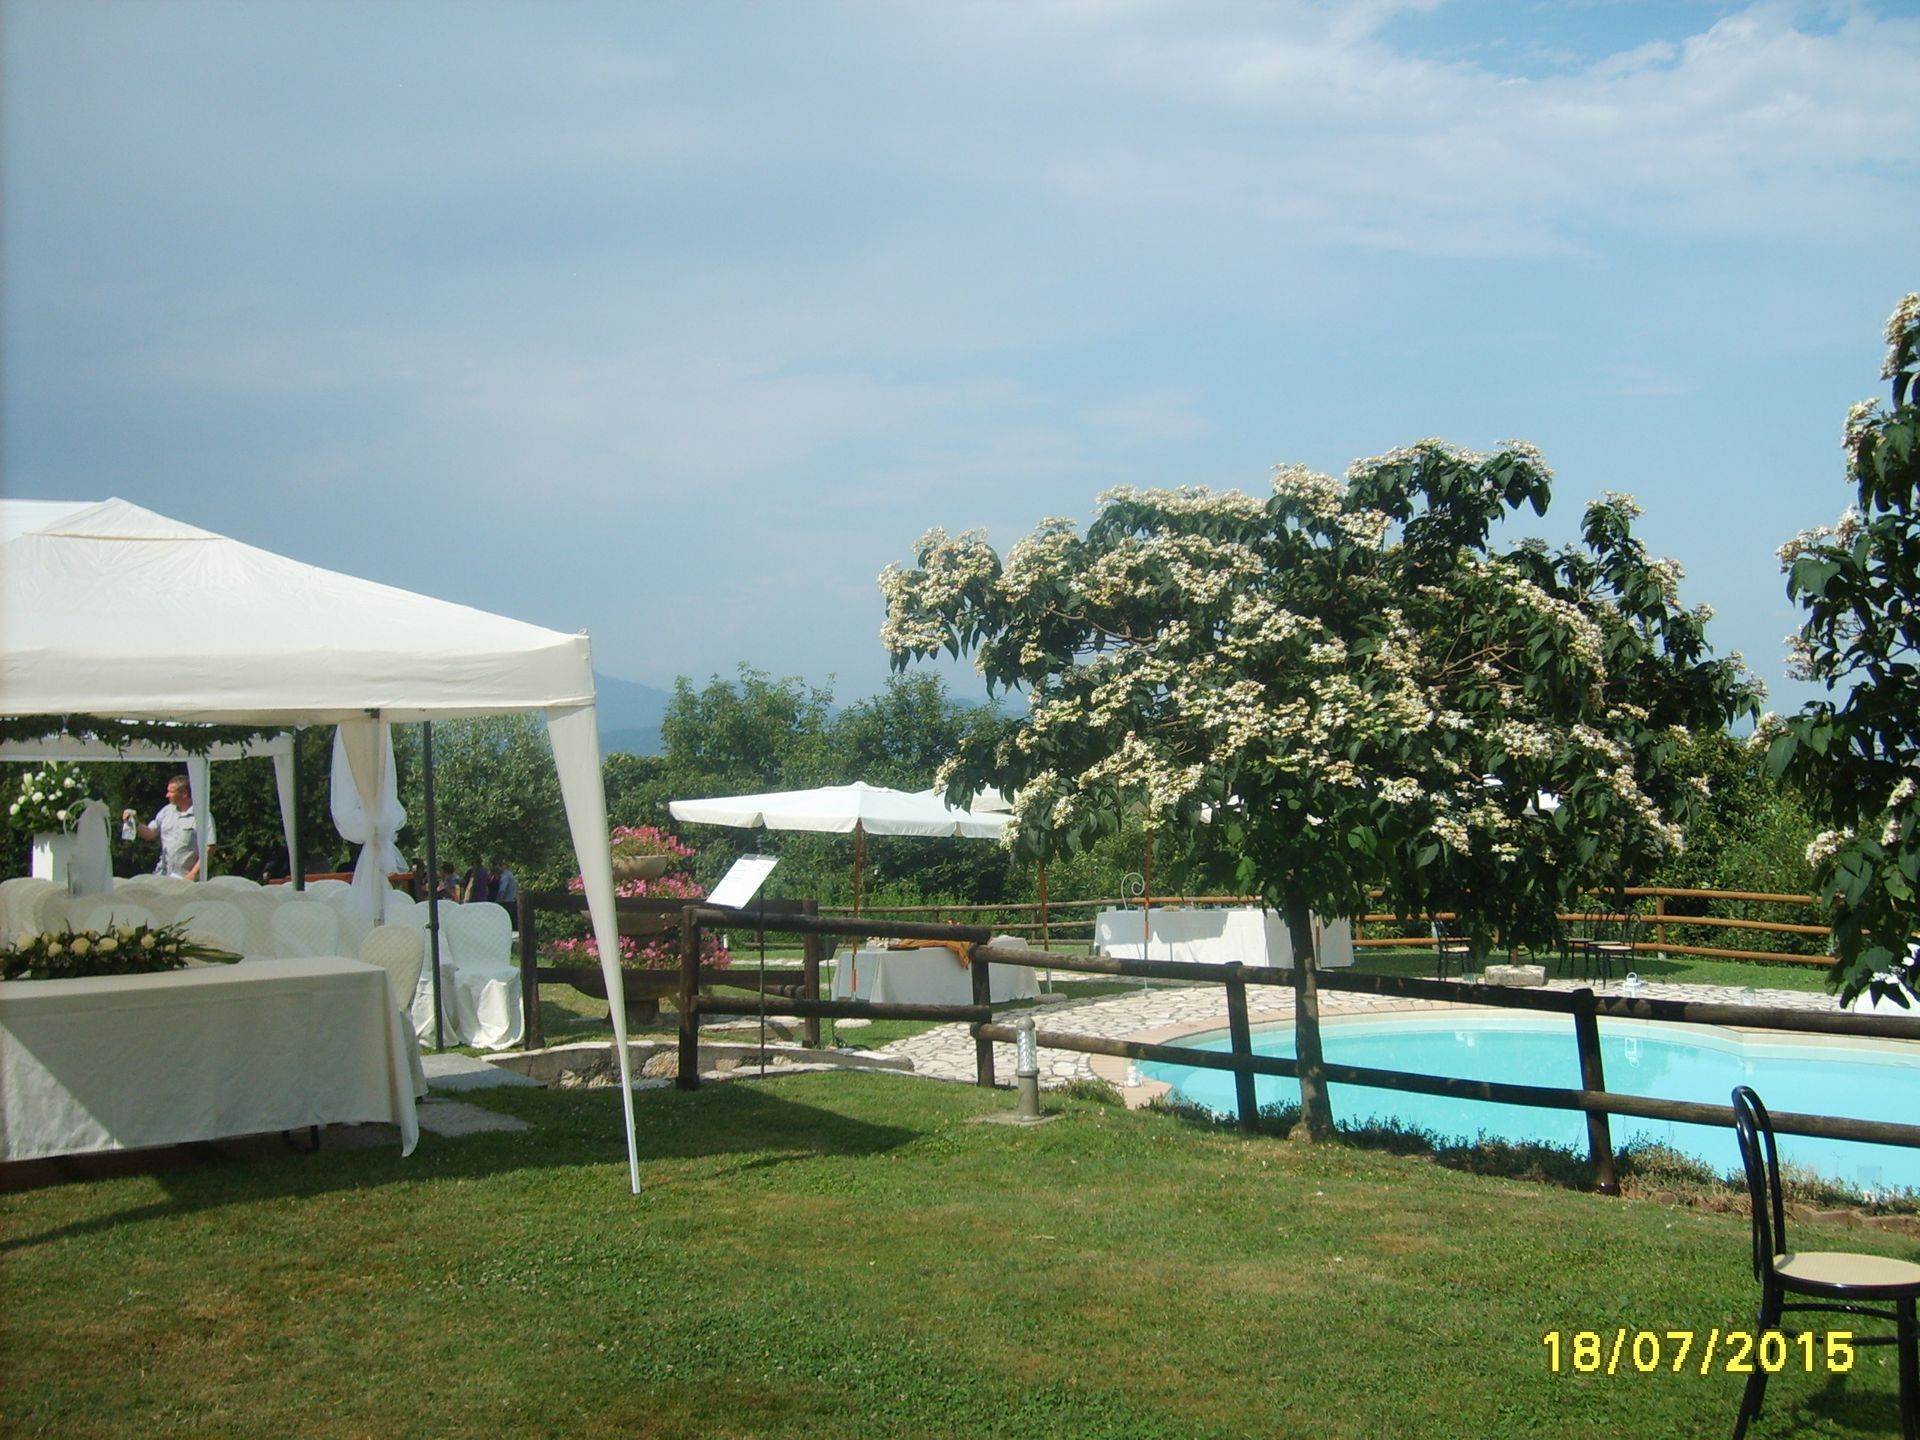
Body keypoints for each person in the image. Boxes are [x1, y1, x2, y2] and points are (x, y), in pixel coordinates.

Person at [122, 775, 211, 881]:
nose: (167, 795)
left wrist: (192, 874)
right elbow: (150, 834)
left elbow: (210, 848)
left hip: (186, 879)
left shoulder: (202, 815)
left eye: (171, 792)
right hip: (162, 875)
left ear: (184, 794)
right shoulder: (166, 811)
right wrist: (135, 823)